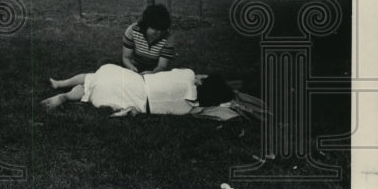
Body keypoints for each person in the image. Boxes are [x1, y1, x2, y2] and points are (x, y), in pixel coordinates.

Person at [41, 63, 235, 115]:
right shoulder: (189, 109)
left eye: (203, 77)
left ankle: (62, 85)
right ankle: (66, 96)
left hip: (137, 84)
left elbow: (157, 75)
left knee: (95, 76)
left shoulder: (188, 75)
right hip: (137, 103)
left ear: (201, 82)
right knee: (92, 89)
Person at [122, 3, 176, 73]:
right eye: (155, 29)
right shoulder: (132, 30)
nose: (159, 33)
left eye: (162, 29)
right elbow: (126, 57)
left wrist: (153, 73)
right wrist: (131, 67)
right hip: (134, 67)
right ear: (146, 25)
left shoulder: (168, 38)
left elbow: (162, 66)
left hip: (156, 71)